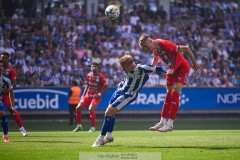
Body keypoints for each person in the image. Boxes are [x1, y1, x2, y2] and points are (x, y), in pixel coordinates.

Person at [92, 55, 170, 147]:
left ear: (130, 65)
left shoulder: (141, 68)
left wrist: (169, 71)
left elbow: (160, 68)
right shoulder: (128, 69)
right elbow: (127, 78)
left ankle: (100, 138)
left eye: (125, 69)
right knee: (110, 113)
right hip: (119, 90)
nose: (124, 71)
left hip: (128, 95)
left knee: (108, 112)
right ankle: (109, 135)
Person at [138, 34, 201, 132]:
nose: (146, 48)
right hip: (171, 70)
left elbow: (186, 48)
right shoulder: (155, 49)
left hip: (182, 69)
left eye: (146, 46)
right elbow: (155, 60)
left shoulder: (166, 44)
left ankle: (170, 124)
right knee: (168, 94)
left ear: (150, 41)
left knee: (175, 92)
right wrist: (149, 73)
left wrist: (194, 63)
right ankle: (162, 122)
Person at [73, 63, 108, 132]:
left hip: (95, 96)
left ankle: (93, 128)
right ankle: (79, 125)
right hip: (88, 95)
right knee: (78, 108)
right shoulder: (89, 75)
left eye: (95, 66)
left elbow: (106, 87)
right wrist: (83, 95)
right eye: (92, 66)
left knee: (91, 109)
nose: (93, 68)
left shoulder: (101, 76)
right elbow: (87, 85)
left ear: (98, 68)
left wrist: (99, 94)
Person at [1, 51, 28, 136]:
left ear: (8, 59)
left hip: (6, 95)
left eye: (6, 58)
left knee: (12, 110)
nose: (4, 59)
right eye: (2, 58)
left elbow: (12, 83)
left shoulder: (11, 70)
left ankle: (22, 129)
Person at [0, 59, 12, 142]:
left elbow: (11, 91)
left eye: (2, 66)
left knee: (3, 113)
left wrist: (12, 104)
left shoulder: (6, 80)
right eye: (0, 66)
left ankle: (5, 136)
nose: (1, 67)